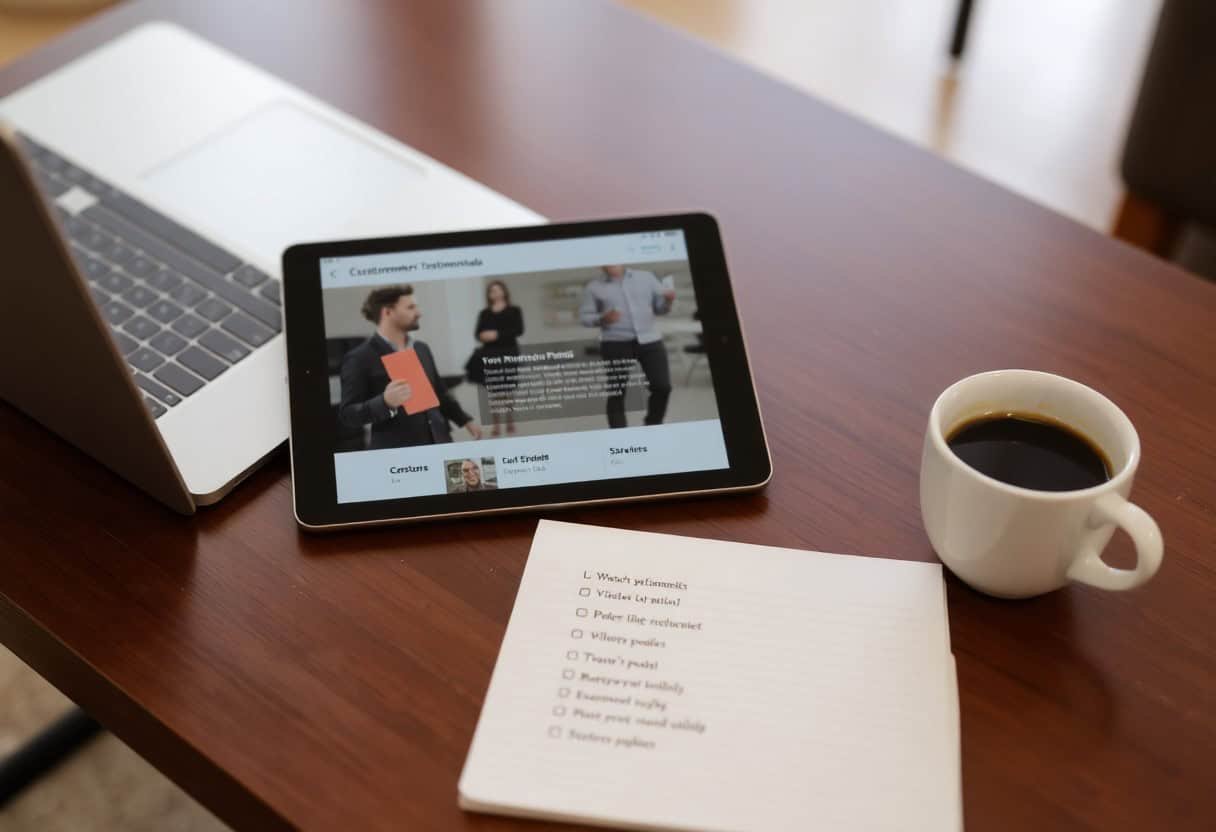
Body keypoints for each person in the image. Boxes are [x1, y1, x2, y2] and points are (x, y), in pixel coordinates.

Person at [339, 285, 481, 449]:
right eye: (410, 307)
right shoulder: (359, 357)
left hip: (440, 441)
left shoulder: (422, 348)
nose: (419, 313)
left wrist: (465, 420)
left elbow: (439, 392)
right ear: (388, 312)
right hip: (398, 452)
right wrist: (385, 402)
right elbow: (348, 415)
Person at [579, 265, 676, 428]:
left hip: (650, 340)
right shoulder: (593, 287)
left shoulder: (646, 277)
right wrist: (602, 318)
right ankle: (620, 434)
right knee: (617, 392)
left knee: (662, 387)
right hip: (615, 343)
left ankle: (653, 425)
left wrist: (668, 300)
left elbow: (660, 309)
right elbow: (584, 317)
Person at [472, 280, 525, 436]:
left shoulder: (514, 310)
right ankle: (496, 425)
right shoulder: (484, 313)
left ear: (504, 291)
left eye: (497, 289)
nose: (494, 293)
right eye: (491, 291)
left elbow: (519, 330)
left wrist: (497, 334)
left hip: (509, 353)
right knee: (494, 391)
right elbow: (477, 333)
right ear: (488, 295)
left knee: (508, 389)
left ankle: (510, 421)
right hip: (490, 355)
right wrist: (483, 336)